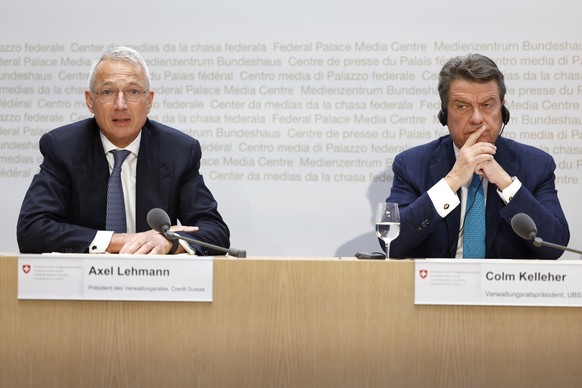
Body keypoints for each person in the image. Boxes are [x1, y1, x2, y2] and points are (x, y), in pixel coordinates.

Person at [17, 46, 230, 255]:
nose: (121, 104)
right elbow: (32, 229)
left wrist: (169, 243)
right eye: (108, 91)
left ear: (149, 101)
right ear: (90, 101)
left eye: (133, 91)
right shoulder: (63, 147)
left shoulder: (178, 151)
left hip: (155, 282)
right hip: (83, 283)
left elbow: (215, 231)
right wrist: (122, 241)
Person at [385, 53, 569, 259]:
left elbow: (555, 247)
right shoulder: (411, 165)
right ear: (444, 114)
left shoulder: (536, 165)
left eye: (487, 105)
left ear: (503, 111)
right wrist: (451, 182)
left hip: (506, 289)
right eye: (462, 106)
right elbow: (393, 243)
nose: (476, 118)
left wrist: (506, 184)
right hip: (437, 288)